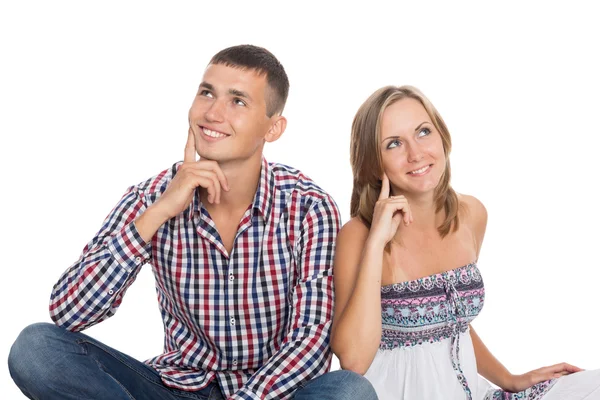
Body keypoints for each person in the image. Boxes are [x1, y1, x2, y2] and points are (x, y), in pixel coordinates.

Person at [8, 45, 377, 400]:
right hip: (175, 387)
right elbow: (67, 312)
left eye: (237, 101)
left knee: (350, 390)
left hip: (272, 394)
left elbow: (310, 340)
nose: (213, 113)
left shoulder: (308, 206)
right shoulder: (150, 197)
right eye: (206, 93)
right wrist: (158, 212)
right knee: (35, 349)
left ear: (273, 128)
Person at [330, 84, 600, 399]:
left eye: (423, 132)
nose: (416, 153)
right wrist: (377, 244)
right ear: (373, 164)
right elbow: (353, 360)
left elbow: (453, 327)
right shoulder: (358, 235)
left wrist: (510, 379)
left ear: (442, 136)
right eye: (393, 144)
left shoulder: (470, 214)